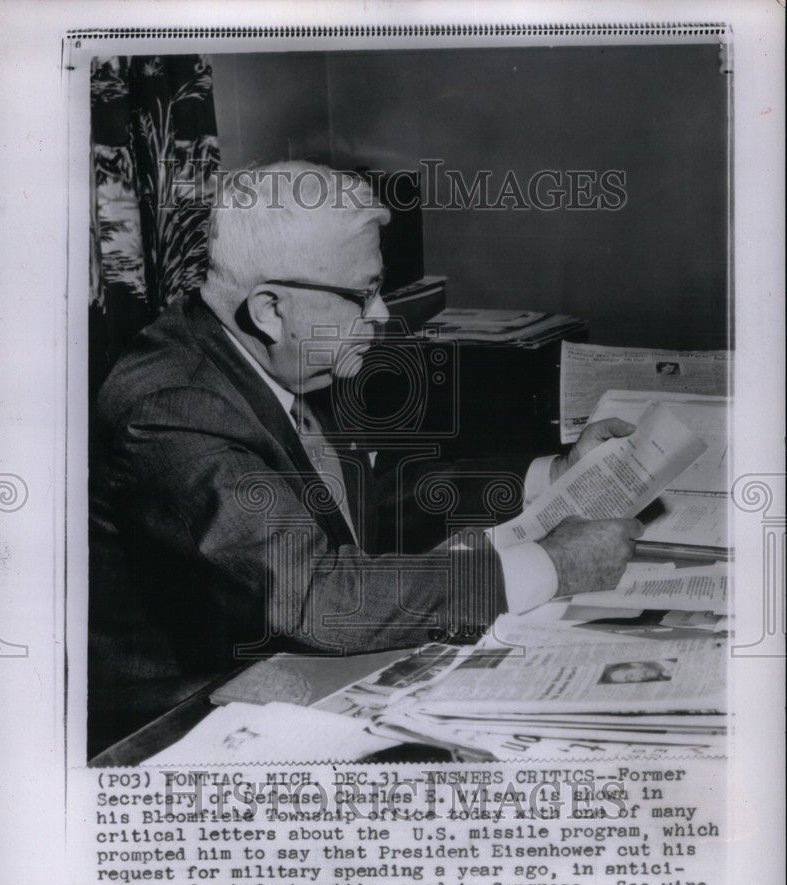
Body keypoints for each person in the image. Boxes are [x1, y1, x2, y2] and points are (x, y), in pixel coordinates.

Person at [88, 161, 642, 755]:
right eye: (364, 293)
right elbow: (317, 600)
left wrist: (547, 478)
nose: (380, 314)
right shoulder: (174, 406)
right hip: (187, 723)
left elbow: (366, 494)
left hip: (289, 669)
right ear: (270, 308)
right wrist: (552, 566)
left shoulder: (278, 355)